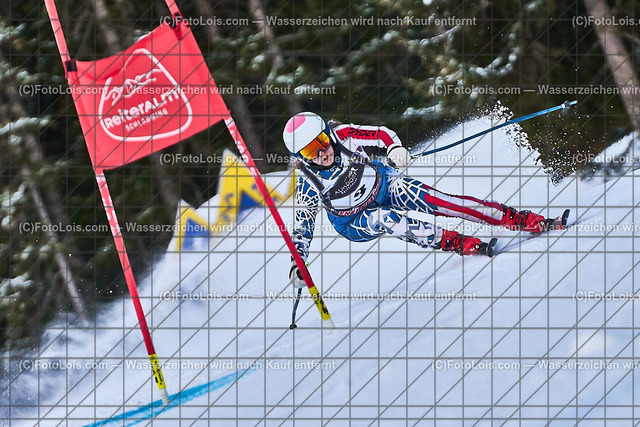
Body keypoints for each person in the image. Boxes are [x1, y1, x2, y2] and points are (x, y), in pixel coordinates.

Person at [283, 112, 566, 287]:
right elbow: (302, 229)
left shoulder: (343, 135)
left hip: (383, 184)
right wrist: (299, 264)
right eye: (309, 152)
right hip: (354, 220)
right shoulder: (307, 182)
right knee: (387, 219)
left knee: (440, 201)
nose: (321, 154)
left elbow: (381, 134)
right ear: (301, 158)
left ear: (327, 134)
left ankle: (522, 220)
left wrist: (394, 149)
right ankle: (458, 242)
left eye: (321, 143)